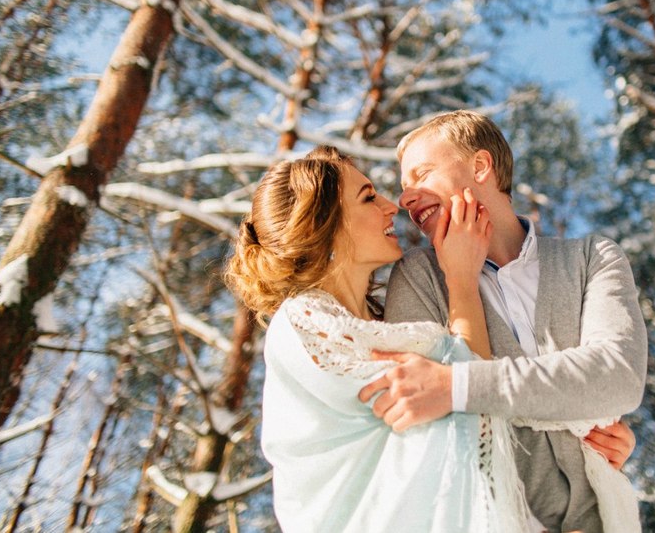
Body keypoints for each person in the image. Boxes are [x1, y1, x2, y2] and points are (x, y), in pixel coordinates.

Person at [358, 110, 647, 532]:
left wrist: (456, 386)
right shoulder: (418, 277)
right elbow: (424, 416)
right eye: (404, 187)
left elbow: (617, 378)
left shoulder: (592, 259)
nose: (405, 199)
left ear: (480, 166)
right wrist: (576, 410)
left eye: (422, 174)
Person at [224, 146, 532, 531]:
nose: (391, 206)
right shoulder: (302, 325)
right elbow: (466, 395)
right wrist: (460, 278)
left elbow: (468, 389)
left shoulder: (388, 325)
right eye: (368, 197)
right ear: (323, 224)